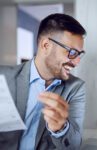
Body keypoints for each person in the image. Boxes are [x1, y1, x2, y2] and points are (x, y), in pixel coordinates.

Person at [0, 13, 86, 150]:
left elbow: (74, 145)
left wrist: (61, 128)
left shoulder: (76, 88)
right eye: (72, 52)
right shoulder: (4, 77)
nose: (76, 62)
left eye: (79, 54)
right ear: (46, 45)